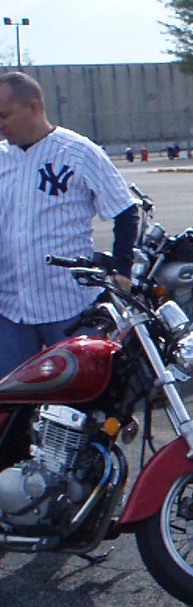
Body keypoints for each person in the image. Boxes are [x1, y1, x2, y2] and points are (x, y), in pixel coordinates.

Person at [0, 71, 137, 378]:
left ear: (33, 107)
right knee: (11, 396)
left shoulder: (78, 152)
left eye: (5, 116)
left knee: (82, 392)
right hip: (10, 308)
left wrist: (122, 270)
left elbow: (124, 209)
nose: (0, 125)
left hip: (68, 306)